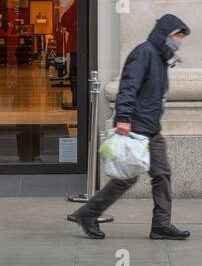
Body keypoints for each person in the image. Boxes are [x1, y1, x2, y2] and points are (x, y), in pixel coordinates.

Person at [68, 14, 191, 240]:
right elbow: (128, 87)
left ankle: (161, 224)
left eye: (181, 36)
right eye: (177, 35)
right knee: (127, 178)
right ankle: (88, 213)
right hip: (134, 127)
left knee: (162, 174)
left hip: (151, 128)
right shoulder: (144, 53)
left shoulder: (161, 57)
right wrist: (123, 118)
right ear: (164, 34)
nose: (179, 40)